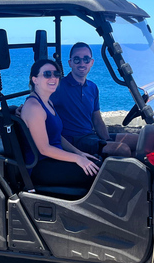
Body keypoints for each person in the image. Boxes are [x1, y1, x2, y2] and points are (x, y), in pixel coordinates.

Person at [20, 59, 100, 188]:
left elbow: (57, 136)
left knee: (99, 162)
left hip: (55, 159)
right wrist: (77, 159)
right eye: (47, 74)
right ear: (35, 79)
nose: (53, 78)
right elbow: (44, 149)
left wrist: (78, 153)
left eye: (56, 74)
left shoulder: (48, 102)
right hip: (42, 166)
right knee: (100, 172)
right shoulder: (34, 107)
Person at [51, 42, 138, 157]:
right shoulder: (58, 87)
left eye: (86, 59)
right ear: (70, 63)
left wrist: (107, 140)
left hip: (91, 136)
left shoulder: (92, 88)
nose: (82, 63)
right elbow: (37, 103)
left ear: (91, 62)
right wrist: (21, 109)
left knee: (140, 140)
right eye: (77, 59)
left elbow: (97, 120)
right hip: (75, 141)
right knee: (122, 149)